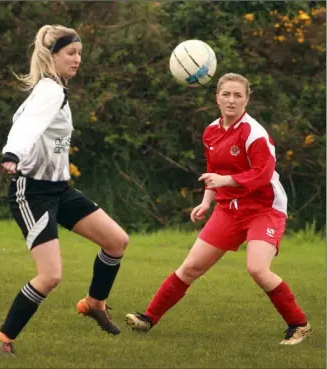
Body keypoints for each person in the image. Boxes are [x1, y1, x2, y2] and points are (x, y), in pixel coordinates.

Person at [125, 73, 311, 346]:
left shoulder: (254, 134)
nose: (232, 100)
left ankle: (299, 324)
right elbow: (214, 171)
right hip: (229, 208)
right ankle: (148, 318)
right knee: (190, 268)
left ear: (247, 99)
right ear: (217, 97)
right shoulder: (211, 131)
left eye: (238, 95)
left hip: (264, 209)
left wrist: (226, 181)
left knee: (258, 268)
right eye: (227, 94)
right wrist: (206, 201)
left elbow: (263, 173)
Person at [0, 24, 129, 356]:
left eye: (80, 53)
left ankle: (95, 303)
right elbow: (27, 125)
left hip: (58, 190)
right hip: (31, 193)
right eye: (71, 53)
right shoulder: (49, 91)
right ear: (52, 56)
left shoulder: (54, 89)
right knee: (50, 275)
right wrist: (13, 153)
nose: (77, 59)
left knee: (116, 241)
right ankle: (2, 340)